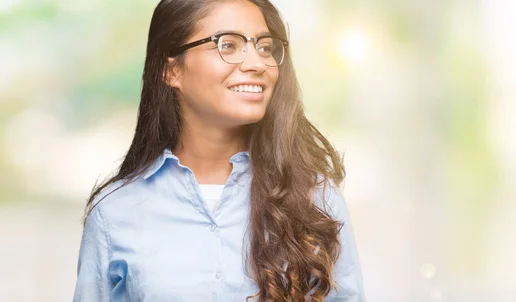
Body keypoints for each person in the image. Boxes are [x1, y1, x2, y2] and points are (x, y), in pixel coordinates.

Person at [73, 0, 365, 301]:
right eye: (228, 44)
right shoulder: (115, 212)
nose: (257, 63)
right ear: (171, 70)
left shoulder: (316, 200)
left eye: (264, 47)